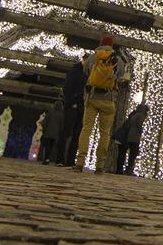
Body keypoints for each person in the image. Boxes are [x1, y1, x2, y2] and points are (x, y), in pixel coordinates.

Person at [72, 35, 125, 173]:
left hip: (92, 97)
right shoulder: (117, 60)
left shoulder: (93, 57)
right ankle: (100, 165)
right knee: (105, 133)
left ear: (100, 44)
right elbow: (121, 76)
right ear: (111, 46)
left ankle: (80, 162)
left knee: (86, 130)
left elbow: (86, 71)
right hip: (109, 99)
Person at [57, 57, 88, 166]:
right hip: (73, 106)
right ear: (83, 60)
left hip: (82, 107)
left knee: (77, 135)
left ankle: (70, 161)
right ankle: (60, 159)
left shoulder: (88, 73)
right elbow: (67, 88)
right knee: (66, 132)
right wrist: (72, 102)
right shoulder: (75, 72)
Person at [113, 104, 149, 175]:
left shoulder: (133, 115)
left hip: (125, 136)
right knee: (133, 154)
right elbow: (139, 125)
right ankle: (128, 170)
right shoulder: (140, 115)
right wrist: (141, 131)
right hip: (133, 137)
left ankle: (120, 170)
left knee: (122, 154)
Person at [39, 100, 64, 164]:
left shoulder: (50, 113)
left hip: (47, 133)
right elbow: (61, 126)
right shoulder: (61, 115)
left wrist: (44, 130)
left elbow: (44, 123)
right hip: (55, 135)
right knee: (52, 147)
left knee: (47, 147)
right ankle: (50, 159)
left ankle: (45, 159)